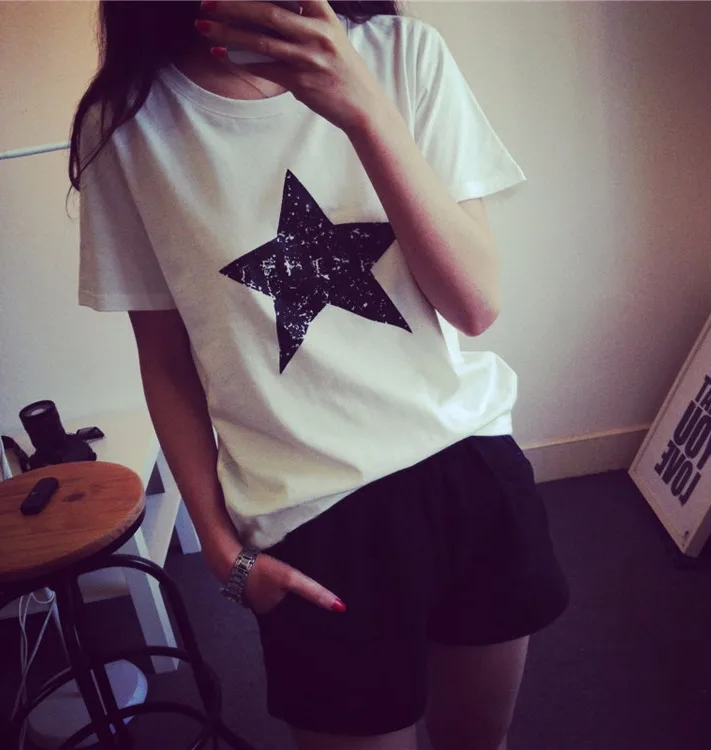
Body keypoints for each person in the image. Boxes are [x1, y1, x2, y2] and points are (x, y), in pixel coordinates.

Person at [70, 2, 569, 748]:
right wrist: (219, 548)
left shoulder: (402, 55)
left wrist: (362, 106)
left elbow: (474, 305)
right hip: (310, 519)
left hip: (468, 472)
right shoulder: (126, 124)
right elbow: (166, 361)